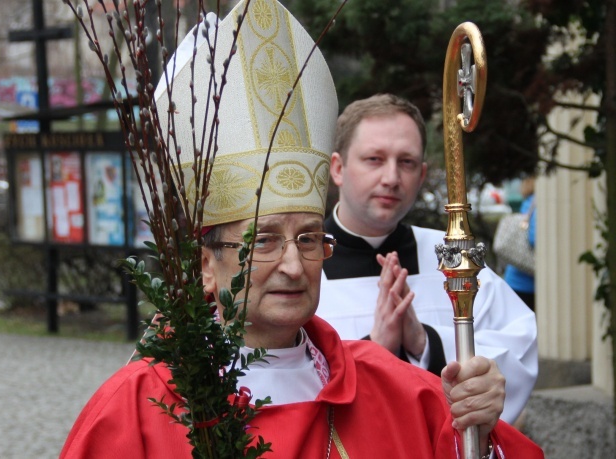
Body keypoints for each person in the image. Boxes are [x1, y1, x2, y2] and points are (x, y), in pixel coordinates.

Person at [61, 1, 543, 457]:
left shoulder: (395, 388)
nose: (293, 266)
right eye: (263, 240)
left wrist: (479, 424)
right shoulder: (138, 407)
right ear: (206, 265)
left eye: (309, 238)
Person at [316, 94, 538, 425]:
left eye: (406, 162)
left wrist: (427, 343)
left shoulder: (451, 255)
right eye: (374, 159)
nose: (391, 178)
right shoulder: (301, 261)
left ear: (421, 176)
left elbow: (520, 341)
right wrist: (373, 349)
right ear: (338, 168)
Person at [503, 177, 536, 311]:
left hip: (516, 277)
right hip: (527, 283)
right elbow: (535, 239)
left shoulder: (528, 202)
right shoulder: (538, 203)